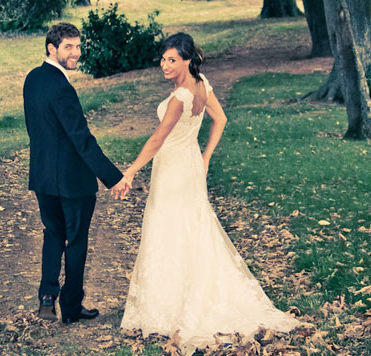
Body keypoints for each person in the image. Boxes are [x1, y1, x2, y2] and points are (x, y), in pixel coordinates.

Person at [120, 33, 299, 352]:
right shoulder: (201, 85)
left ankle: (176, 305)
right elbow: (220, 119)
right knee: (192, 229)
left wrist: (131, 170)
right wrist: (204, 156)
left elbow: (158, 140)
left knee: (172, 229)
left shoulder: (180, 98)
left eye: (172, 60)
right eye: (163, 59)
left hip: (175, 169)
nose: (165, 65)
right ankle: (182, 294)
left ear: (188, 60)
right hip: (189, 163)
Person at [23, 22, 130, 325]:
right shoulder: (62, 88)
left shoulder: (33, 79)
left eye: (78, 46)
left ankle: (46, 297)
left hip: (43, 177)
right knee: (77, 240)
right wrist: (114, 177)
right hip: (72, 181)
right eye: (68, 47)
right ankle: (70, 306)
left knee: (53, 234)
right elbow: (81, 139)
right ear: (51, 49)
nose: (75, 52)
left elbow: (39, 130)